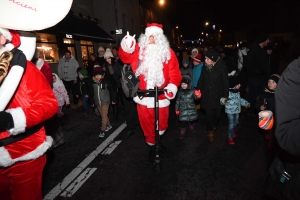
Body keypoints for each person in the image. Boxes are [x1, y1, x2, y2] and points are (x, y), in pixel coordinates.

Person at [0, 28, 58, 199]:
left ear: (3, 38)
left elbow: (49, 104)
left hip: (24, 154)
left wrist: (12, 119)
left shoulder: (24, 66)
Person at [118, 23, 182, 162]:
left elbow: (175, 73)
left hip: (161, 95)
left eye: (155, 35)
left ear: (160, 37)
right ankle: (154, 145)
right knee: (147, 124)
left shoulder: (168, 52)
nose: (152, 38)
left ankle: (157, 140)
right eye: (149, 35)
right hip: (143, 96)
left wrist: (171, 87)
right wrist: (127, 45)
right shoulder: (139, 50)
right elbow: (125, 57)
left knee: (163, 124)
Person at [196, 49, 229, 142]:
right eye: (205, 58)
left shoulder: (222, 68)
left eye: (207, 59)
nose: (205, 61)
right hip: (207, 95)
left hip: (218, 95)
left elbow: (225, 83)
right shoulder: (204, 67)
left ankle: (214, 124)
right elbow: (201, 79)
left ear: (213, 59)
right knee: (208, 115)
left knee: (217, 115)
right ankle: (210, 130)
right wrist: (198, 89)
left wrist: (226, 96)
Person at [220, 72, 250, 145]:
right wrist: (224, 100)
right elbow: (221, 99)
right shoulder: (227, 93)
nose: (240, 85)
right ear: (234, 85)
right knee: (231, 124)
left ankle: (233, 130)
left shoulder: (237, 92)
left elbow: (240, 100)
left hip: (237, 111)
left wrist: (245, 103)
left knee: (236, 122)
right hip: (229, 111)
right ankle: (230, 137)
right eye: (238, 84)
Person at [244, 33, 270, 114]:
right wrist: (258, 71)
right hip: (255, 79)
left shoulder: (263, 50)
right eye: (267, 40)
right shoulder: (253, 50)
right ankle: (250, 111)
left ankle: (259, 109)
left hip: (263, 78)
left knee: (262, 96)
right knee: (252, 96)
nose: (268, 41)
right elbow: (247, 64)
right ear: (263, 41)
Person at [113, 59, 139, 139]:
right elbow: (116, 75)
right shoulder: (119, 63)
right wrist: (122, 86)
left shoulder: (138, 60)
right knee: (128, 108)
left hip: (139, 89)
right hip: (126, 90)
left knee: (139, 107)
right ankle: (130, 127)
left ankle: (138, 122)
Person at [256, 74, 280, 149]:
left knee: (273, 132)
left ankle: (271, 145)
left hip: (276, 117)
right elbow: (258, 102)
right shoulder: (264, 93)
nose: (270, 84)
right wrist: (260, 106)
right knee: (266, 129)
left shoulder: (280, 94)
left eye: (273, 82)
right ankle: (267, 137)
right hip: (267, 116)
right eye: (269, 81)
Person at [91, 67, 116, 138]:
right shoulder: (93, 83)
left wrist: (114, 99)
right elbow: (92, 93)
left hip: (105, 101)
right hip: (98, 102)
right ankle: (109, 125)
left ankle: (103, 130)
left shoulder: (106, 82)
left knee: (104, 116)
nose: (98, 77)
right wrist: (92, 102)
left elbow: (112, 91)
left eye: (99, 75)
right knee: (103, 115)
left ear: (102, 75)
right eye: (96, 75)